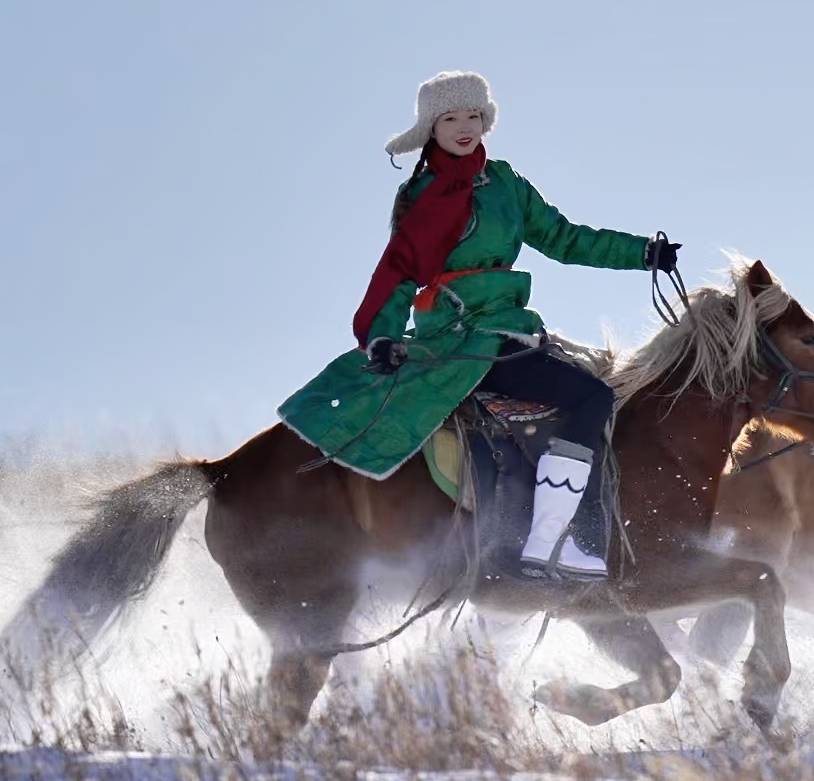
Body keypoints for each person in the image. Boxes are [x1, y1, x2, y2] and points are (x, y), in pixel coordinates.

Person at [279, 71, 679, 579]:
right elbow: (399, 271)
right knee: (592, 398)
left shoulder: (506, 183)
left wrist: (642, 252)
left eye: (474, 115)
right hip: (462, 337)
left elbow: (565, 238)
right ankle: (554, 540)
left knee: (596, 396)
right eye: (451, 118)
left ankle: (554, 532)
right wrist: (381, 333)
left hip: (514, 330)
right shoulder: (423, 195)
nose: (465, 126)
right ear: (432, 127)